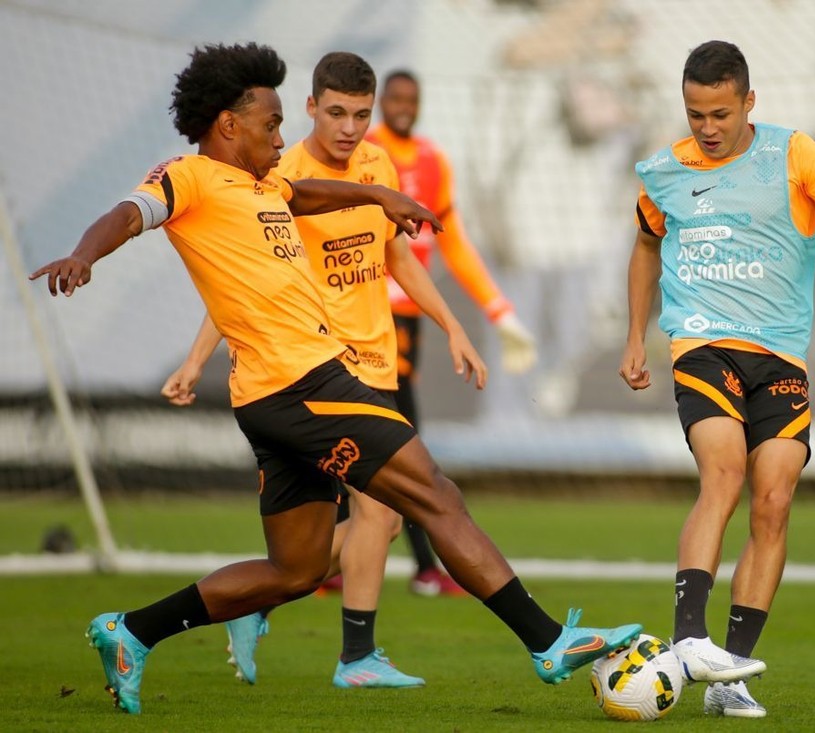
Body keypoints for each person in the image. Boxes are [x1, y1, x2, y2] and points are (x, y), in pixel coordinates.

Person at [31, 42, 642, 716]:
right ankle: (551, 642)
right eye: (270, 124)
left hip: (274, 396)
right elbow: (127, 213)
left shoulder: (265, 184)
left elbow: (309, 194)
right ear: (229, 125)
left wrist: (379, 194)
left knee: (294, 571)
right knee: (436, 493)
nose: (281, 136)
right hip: (305, 387)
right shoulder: (191, 178)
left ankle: (132, 631)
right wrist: (83, 254)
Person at [160, 51, 478, 689]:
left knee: (374, 524)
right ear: (310, 108)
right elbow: (246, 288)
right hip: (315, 371)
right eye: (336, 112)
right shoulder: (278, 171)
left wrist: (453, 326)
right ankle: (355, 659)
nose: (350, 128)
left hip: (377, 366)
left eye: (361, 115)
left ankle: (262, 604)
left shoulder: (376, 168)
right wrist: (196, 361)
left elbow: (397, 260)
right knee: (383, 515)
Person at [619, 41, 815, 718]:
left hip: (780, 358)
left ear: (749, 102)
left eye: (719, 112)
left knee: (774, 500)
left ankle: (729, 678)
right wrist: (634, 337)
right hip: (703, 344)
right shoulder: (662, 171)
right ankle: (688, 638)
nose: (706, 127)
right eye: (694, 114)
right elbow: (646, 246)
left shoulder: (795, 153)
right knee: (726, 471)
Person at [358, 69, 537, 596]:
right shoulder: (363, 155)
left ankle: (411, 566)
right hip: (363, 314)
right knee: (398, 442)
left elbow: (451, 241)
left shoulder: (433, 161)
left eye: (412, 98)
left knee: (393, 440)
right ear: (381, 102)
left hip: (409, 316)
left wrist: (500, 313)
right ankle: (421, 567)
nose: (403, 106)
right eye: (394, 98)